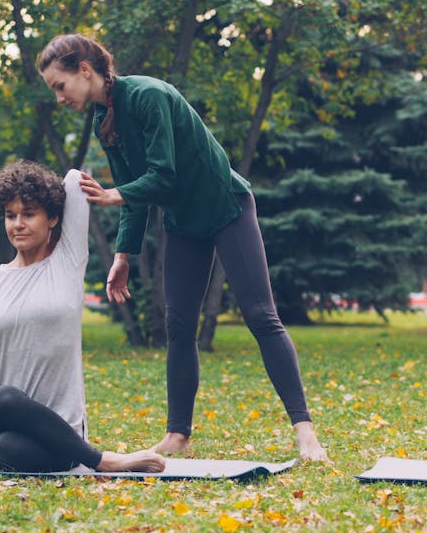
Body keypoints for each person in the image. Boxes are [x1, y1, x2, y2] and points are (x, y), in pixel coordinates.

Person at [38, 33, 329, 462]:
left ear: (84, 69)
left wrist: (115, 194)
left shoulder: (149, 95)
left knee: (260, 316)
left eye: (59, 86)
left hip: (225, 205)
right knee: (177, 324)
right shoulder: (105, 117)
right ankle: (178, 435)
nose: (59, 97)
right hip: (182, 222)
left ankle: (305, 432)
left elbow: (164, 175)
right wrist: (123, 256)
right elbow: (138, 192)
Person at [0, 160, 165, 474]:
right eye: (10, 215)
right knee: (3, 399)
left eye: (29, 213)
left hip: (64, 437)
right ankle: (99, 460)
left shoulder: (67, 263)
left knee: (3, 453)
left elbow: (74, 180)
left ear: (53, 219)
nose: (18, 224)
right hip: (6, 420)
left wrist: (106, 194)